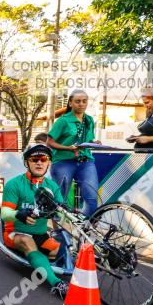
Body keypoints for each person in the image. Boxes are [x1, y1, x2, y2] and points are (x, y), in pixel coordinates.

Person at [0, 143, 68, 298]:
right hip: (16, 233)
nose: (39, 162)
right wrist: (18, 214)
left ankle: (37, 258)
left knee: (64, 252)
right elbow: (4, 214)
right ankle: (57, 284)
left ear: (49, 163)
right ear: (27, 162)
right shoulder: (14, 184)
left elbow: (62, 212)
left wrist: (61, 213)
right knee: (27, 242)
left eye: (43, 159)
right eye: (35, 159)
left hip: (41, 234)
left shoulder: (52, 186)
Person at [46, 89, 100, 217]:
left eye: (84, 101)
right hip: (63, 162)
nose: (81, 104)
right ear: (70, 103)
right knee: (60, 200)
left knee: (92, 199)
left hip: (85, 161)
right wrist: (68, 148)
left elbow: (86, 139)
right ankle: (59, 234)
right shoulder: (62, 121)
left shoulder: (89, 120)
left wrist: (94, 142)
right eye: (77, 101)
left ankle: (84, 229)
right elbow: (49, 142)